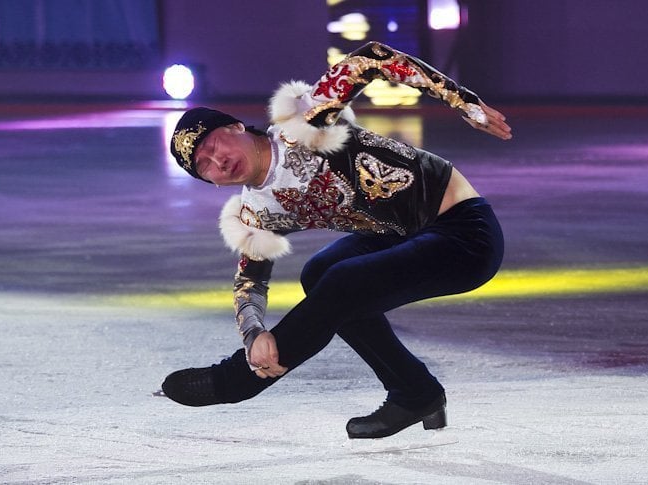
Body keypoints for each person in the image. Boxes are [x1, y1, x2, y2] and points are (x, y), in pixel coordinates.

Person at [162, 41, 511, 439]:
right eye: (205, 167)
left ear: (235, 127)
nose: (217, 162)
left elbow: (371, 57)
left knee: (344, 281)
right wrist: (255, 333)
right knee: (321, 272)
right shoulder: (257, 212)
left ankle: (240, 380)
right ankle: (415, 392)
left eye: (212, 146)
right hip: (401, 238)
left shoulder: (306, 121)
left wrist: (462, 101)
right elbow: (249, 283)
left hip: (464, 236)